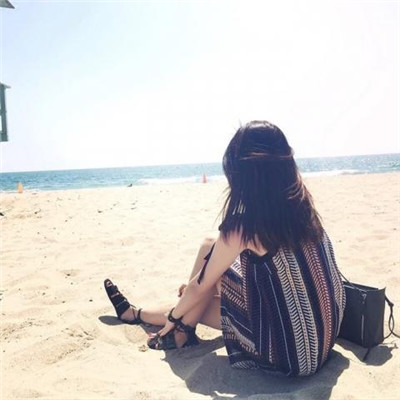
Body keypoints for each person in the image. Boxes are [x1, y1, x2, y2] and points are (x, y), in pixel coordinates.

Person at [104, 120, 346, 377]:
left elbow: (199, 287)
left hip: (288, 354)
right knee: (209, 262)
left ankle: (173, 329)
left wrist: (175, 317)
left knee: (203, 283)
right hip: (322, 340)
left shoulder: (246, 226)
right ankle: (140, 315)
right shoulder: (304, 210)